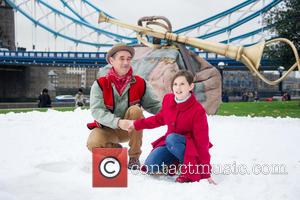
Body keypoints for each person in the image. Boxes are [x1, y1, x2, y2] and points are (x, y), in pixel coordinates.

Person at [125, 70, 216, 184]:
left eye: (182, 84)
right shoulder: (168, 99)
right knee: (150, 167)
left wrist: (205, 172)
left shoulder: (198, 111)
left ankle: (190, 167)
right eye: (175, 84)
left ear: (191, 86)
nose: (178, 88)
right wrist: (135, 124)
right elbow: (159, 119)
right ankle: (176, 164)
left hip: (190, 147)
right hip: (170, 144)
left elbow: (202, 143)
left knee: (172, 138)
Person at [86, 43, 161, 169]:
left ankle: (134, 157)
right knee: (93, 143)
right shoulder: (100, 84)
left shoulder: (140, 83)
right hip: (108, 129)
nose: (126, 62)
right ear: (111, 60)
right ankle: (116, 150)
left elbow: (155, 106)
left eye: (128, 59)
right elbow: (97, 111)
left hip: (131, 130)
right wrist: (118, 122)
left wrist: (174, 112)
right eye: (122, 58)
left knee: (135, 110)